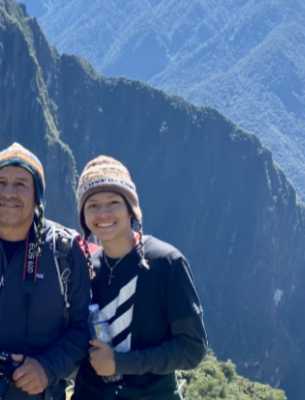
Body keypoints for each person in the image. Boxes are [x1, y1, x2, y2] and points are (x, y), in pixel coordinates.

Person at [0, 143, 91, 400]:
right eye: (0, 182)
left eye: (21, 184)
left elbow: (83, 327)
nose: (8, 193)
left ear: (38, 196)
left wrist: (47, 367)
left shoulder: (64, 252)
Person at [71, 156, 207, 400]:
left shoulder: (166, 263)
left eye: (113, 202)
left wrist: (121, 363)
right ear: (83, 215)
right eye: (92, 205)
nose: (103, 213)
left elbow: (192, 348)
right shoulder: (88, 267)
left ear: (131, 209)